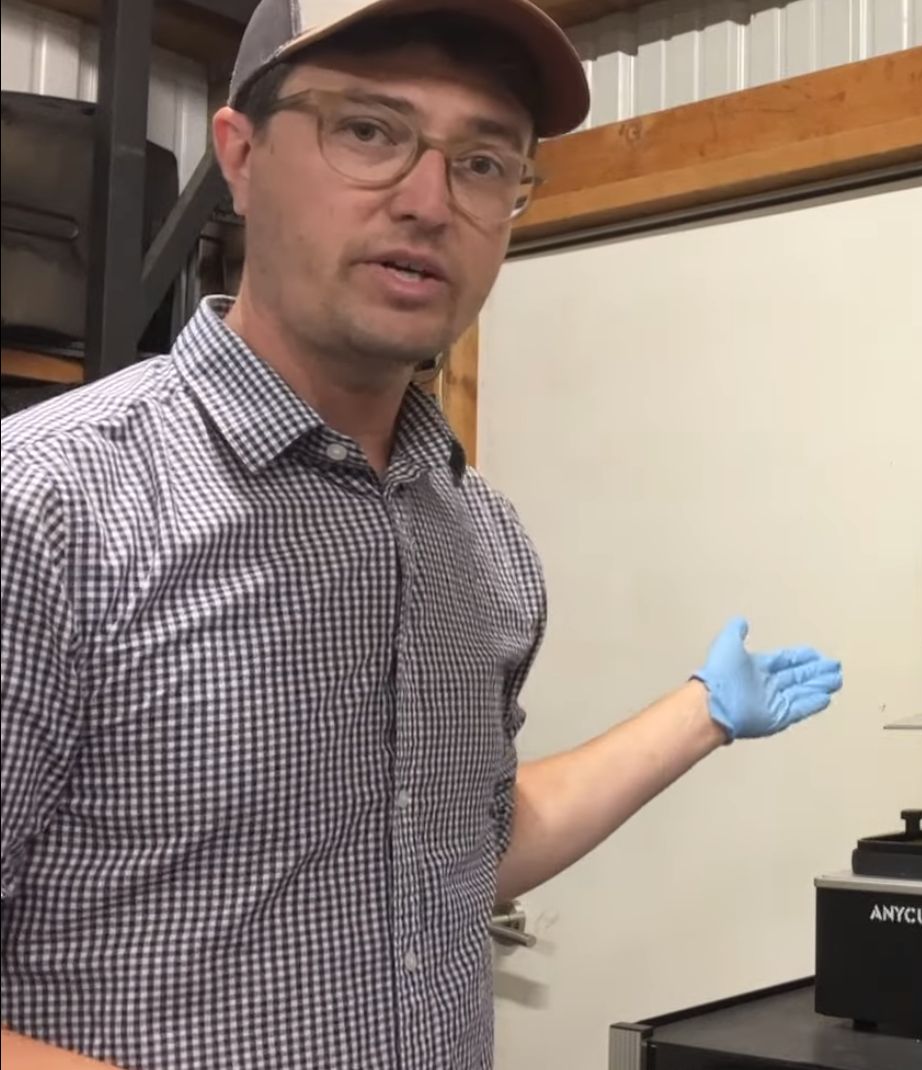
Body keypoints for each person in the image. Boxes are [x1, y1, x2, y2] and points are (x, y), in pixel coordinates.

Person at [0, 1, 843, 1066]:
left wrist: (699, 713)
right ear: (242, 157)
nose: (430, 200)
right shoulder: (46, 508)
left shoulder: (481, 538)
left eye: (484, 162)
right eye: (369, 130)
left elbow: (453, 848)